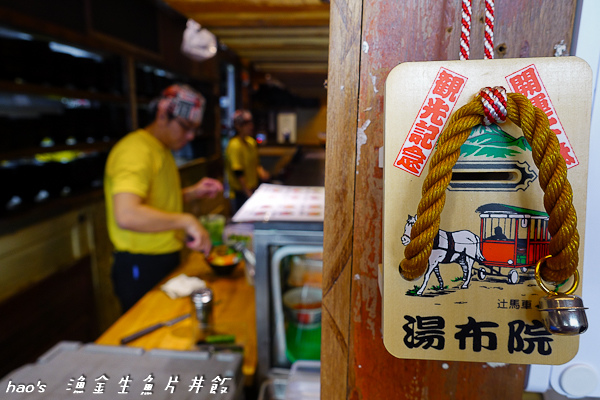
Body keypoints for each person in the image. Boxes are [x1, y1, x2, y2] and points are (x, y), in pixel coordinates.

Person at [104, 84, 223, 312]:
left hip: (165, 257)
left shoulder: (161, 149)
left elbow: (153, 202)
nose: (190, 136)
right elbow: (127, 214)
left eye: (194, 130)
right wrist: (186, 221)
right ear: (162, 115)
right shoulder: (135, 151)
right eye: (186, 127)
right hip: (141, 263)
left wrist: (191, 193)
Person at [225, 110, 270, 212]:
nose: (250, 126)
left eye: (251, 123)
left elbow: (256, 164)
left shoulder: (251, 142)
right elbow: (238, 173)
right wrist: (248, 193)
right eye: (246, 124)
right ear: (238, 126)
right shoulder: (234, 145)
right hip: (240, 193)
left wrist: (261, 171)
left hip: (253, 188)